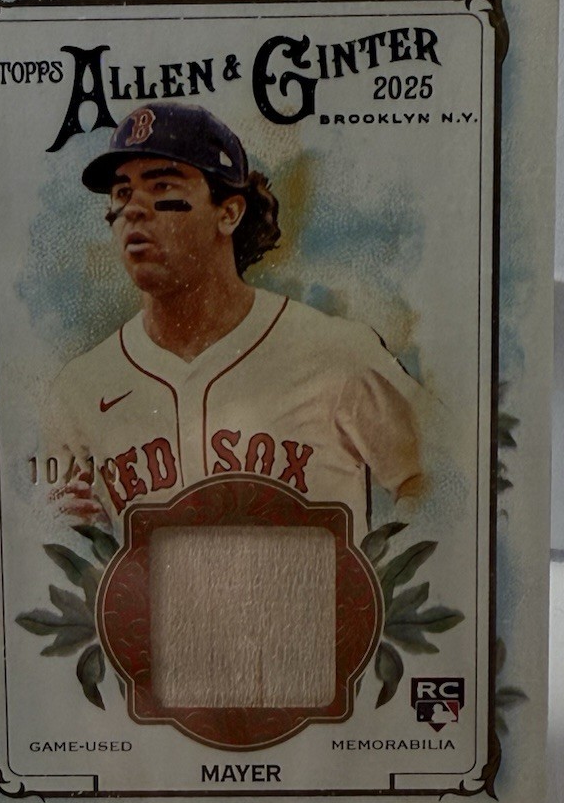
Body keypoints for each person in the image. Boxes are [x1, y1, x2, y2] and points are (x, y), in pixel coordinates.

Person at [46, 102, 426, 536]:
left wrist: (393, 567)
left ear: (228, 213)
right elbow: (58, 544)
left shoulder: (338, 352)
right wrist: (68, 532)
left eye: (162, 184)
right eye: (122, 192)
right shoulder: (78, 390)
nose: (133, 208)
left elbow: (444, 477)